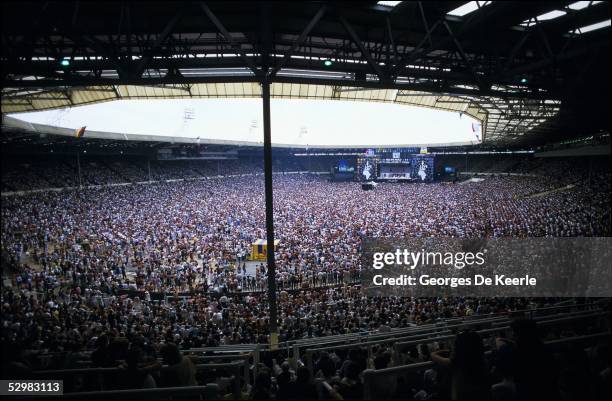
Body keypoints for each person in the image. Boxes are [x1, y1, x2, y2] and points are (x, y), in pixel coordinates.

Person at [431, 331, 491, 400]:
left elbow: (433, 355)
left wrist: (443, 351)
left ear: (458, 347)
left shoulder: (455, 362)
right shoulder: (482, 360)